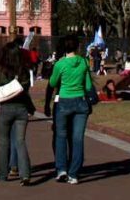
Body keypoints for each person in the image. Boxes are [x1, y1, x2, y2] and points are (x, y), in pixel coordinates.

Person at [0, 42, 34, 185]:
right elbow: (26, 92)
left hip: (5, 109)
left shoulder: (1, 70)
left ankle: (2, 173)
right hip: (21, 109)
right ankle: (25, 174)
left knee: (4, 142)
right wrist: (31, 108)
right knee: (20, 141)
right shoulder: (23, 70)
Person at [48, 34, 92, 184]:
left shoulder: (60, 64)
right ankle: (74, 173)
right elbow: (88, 86)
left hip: (64, 100)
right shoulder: (84, 62)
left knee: (61, 135)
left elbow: (53, 82)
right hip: (80, 100)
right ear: (77, 46)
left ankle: (61, 169)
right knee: (77, 138)